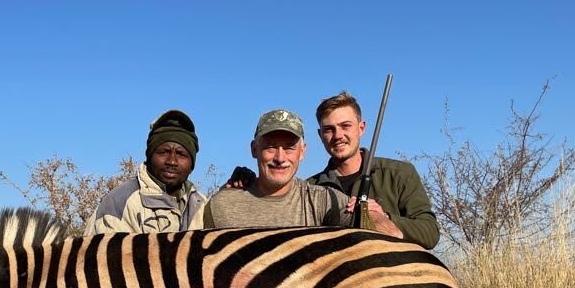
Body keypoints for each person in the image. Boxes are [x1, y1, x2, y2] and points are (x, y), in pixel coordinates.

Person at [309, 91, 439, 249]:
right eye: (329, 129)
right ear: (320, 135)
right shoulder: (310, 188)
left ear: (361, 128)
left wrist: (386, 218)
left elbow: (430, 233)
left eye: (345, 126)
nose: (338, 135)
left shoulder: (400, 174)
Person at [192, 109, 351, 229]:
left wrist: (373, 215)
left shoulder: (324, 201)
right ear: (254, 149)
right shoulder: (221, 205)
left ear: (302, 152)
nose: (280, 158)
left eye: (289, 148)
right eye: (270, 147)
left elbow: (369, 230)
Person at [84, 109, 206, 235]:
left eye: (181, 154)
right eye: (164, 152)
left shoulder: (201, 204)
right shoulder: (120, 202)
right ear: (149, 156)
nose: (172, 161)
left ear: (192, 164)